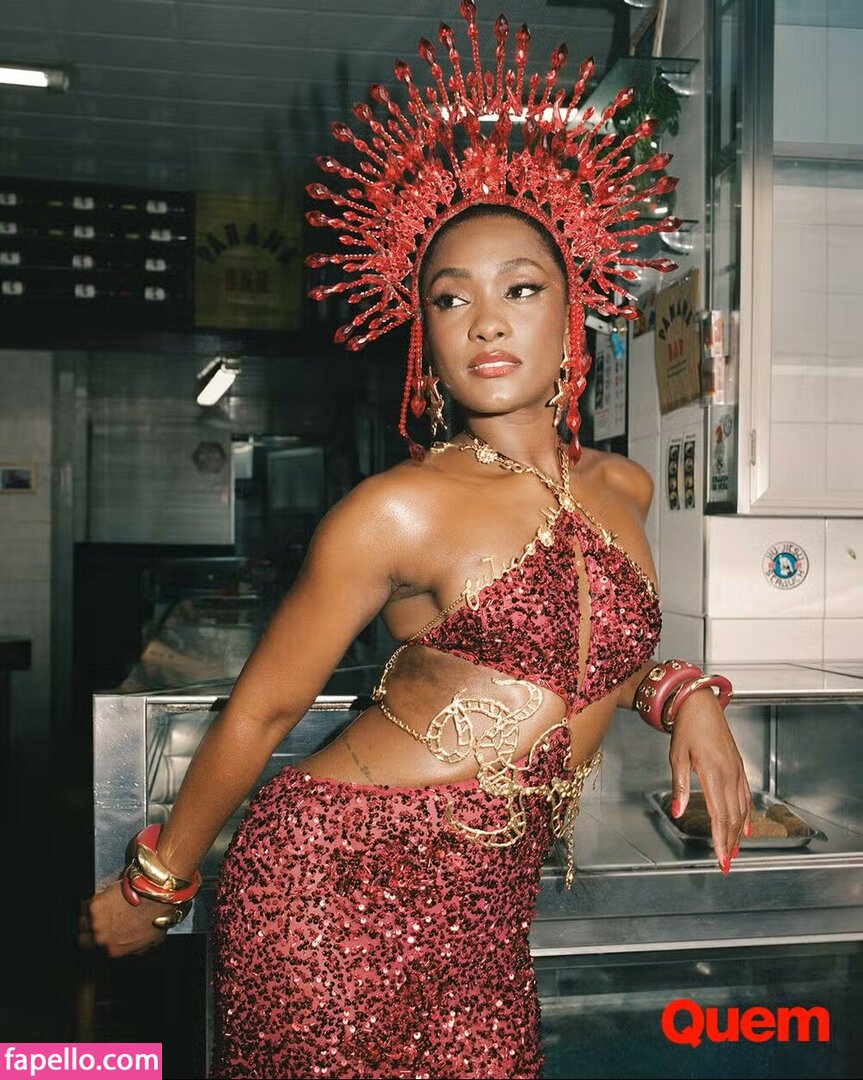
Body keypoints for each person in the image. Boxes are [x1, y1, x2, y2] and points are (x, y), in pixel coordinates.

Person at [87, 6, 751, 1077]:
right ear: (425, 335)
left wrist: (684, 695)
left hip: (488, 919)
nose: (486, 320)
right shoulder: (395, 509)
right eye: (451, 299)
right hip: (331, 891)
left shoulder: (622, 487)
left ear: (571, 311)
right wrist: (156, 886)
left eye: (519, 288)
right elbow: (260, 711)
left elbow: (590, 657)